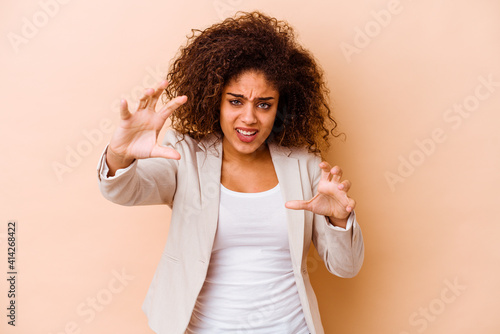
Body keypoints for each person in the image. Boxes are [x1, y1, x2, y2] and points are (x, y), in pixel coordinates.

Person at [97, 11, 364, 334]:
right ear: (215, 101)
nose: (249, 117)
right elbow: (123, 191)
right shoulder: (185, 154)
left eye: (264, 104)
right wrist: (120, 154)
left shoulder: (304, 165)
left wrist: (338, 220)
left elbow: (346, 267)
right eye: (235, 101)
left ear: (282, 107)